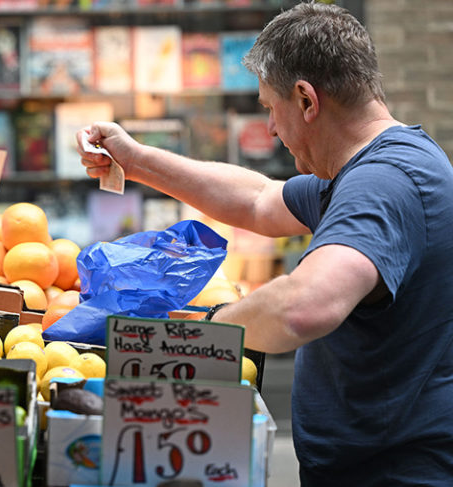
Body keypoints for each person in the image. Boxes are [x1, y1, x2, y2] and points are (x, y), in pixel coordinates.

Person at [76, 2, 453, 486]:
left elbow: (302, 307)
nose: (271, 129)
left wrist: (194, 334)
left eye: (271, 109)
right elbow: (258, 200)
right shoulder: (370, 169)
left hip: (395, 472)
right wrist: (135, 160)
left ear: (307, 100)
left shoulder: (383, 183)